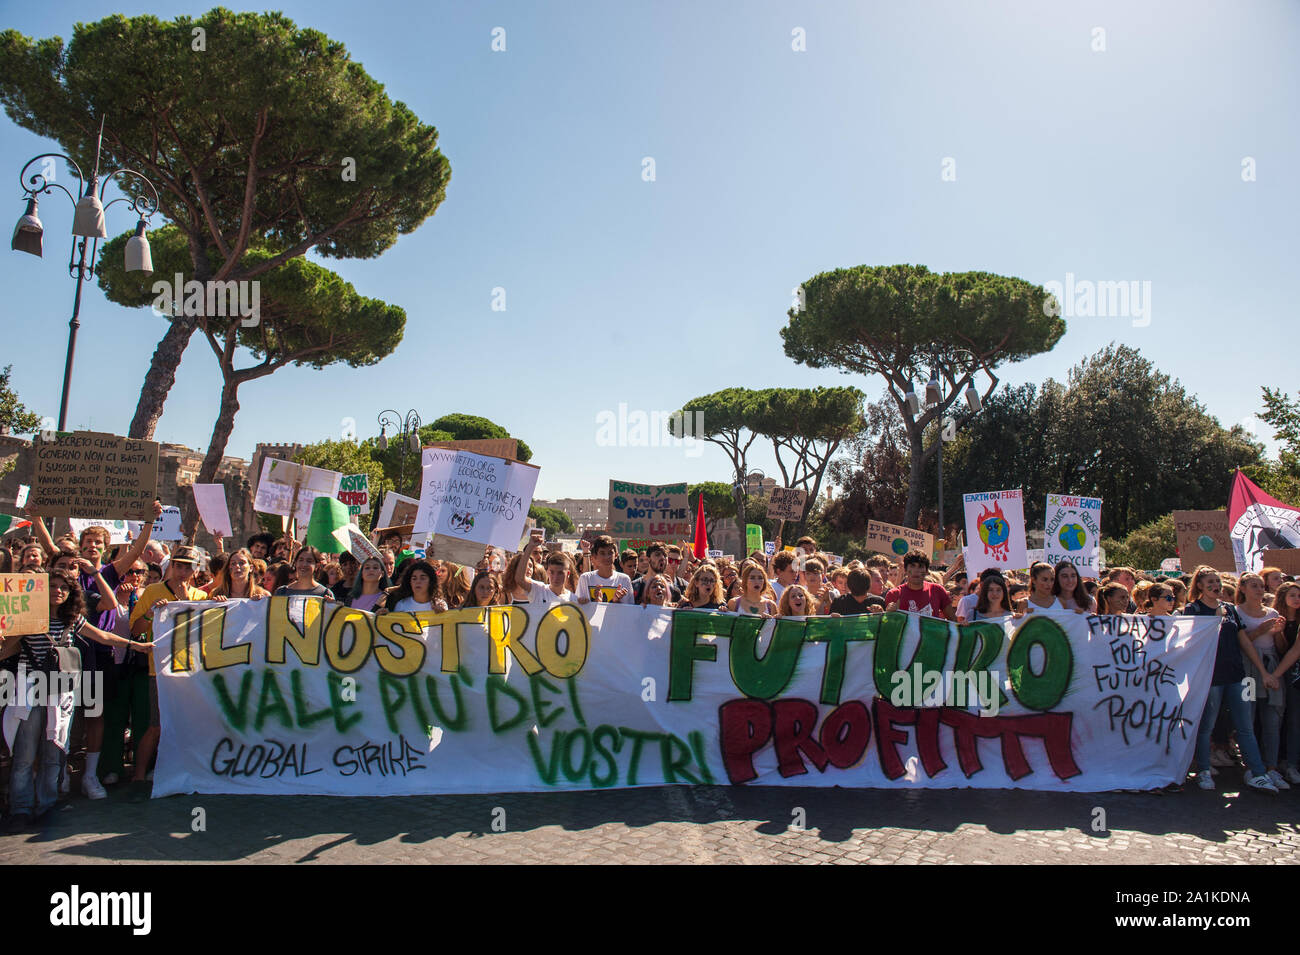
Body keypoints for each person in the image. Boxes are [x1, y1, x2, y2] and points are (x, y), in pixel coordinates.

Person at [1, 568, 152, 828]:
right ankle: (21, 808)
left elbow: (102, 636)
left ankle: (47, 804)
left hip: (60, 690)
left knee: (55, 751)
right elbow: (7, 650)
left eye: (63, 587)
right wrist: (17, 628)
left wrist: (134, 645)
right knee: (25, 753)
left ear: (71, 593)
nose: (57, 591)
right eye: (53, 586)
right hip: (29, 687)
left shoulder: (73, 619)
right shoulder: (27, 617)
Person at [1181, 566, 1279, 793]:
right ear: (1200, 587)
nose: (1216, 586)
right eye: (1210, 583)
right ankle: (1203, 769)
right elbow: (1190, 642)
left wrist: (1263, 672)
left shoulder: (1230, 609)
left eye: (1217, 581)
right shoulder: (1193, 609)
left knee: (1245, 725)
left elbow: (1243, 641)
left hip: (1237, 676)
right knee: (1207, 725)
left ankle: (1257, 773)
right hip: (1211, 677)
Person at [126, 545, 208, 800]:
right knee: (156, 726)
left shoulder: (198, 596)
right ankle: (138, 776)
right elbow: (135, 630)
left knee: (186, 725)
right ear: (172, 565)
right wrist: (151, 615)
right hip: (158, 670)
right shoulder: (152, 591)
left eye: (189, 567)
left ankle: (183, 773)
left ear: (195, 571)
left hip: (189, 671)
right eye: (179, 565)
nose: (183, 571)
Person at [1234, 572, 1289, 789]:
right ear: (1243, 589)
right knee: (1248, 716)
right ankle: (1252, 767)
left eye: (1261, 586)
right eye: (1254, 586)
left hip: (1271, 667)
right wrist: (1259, 631)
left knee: (1273, 719)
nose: (1259, 590)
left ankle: (1272, 768)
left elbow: (1281, 648)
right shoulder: (1236, 612)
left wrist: (1278, 633)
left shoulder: (1272, 612)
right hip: (1248, 671)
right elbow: (1238, 643)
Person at [1266, 581, 1300, 783]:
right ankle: (1287, 762)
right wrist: (1275, 675)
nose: (1297, 599)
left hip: (1287, 672)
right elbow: (1292, 651)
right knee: (1288, 718)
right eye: (1293, 595)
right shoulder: (1275, 618)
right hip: (1287, 672)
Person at [885, 551, 955, 620]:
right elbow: (888, 627)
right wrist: (889, 614)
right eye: (912, 566)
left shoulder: (937, 590)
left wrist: (964, 624)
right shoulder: (894, 594)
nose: (916, 570)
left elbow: (954, 623)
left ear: (927, 571)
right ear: (905, 570)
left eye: (920, 566)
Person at [575, 535, 634, 605]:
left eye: (610, 553)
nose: (607, 557)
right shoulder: (585, 578)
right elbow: (580, 606)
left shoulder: (624, 579)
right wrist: (596, 602)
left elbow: (630, 609)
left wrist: (616, 601)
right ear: (595, 556)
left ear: (616, 555)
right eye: (602, 553)